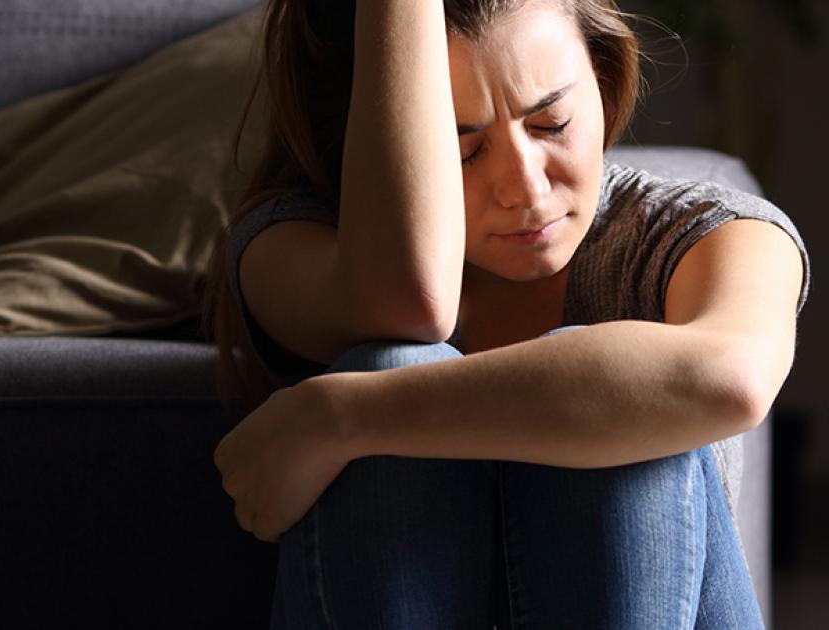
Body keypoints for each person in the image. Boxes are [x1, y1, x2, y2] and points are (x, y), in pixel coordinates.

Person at [202, 0, 812, 627]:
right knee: (393, 359)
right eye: (461, 152)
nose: (523, 186)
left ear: (600, 78)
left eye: (551, 122)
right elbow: (408, 301)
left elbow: (729, 379)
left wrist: (341, 415)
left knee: (633, 411)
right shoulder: (291, 246)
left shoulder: (703, 231)